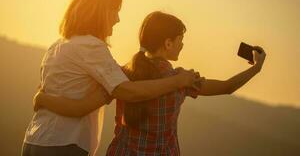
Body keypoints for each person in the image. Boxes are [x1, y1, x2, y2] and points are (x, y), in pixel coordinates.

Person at [35, 11, 266, 155]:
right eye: (180, 40)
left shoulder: (120, 74)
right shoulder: (182, 79)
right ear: (167, 43)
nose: (182, 45)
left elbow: (82, 106)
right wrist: (256, 68)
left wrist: (43, 98)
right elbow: (227, 87)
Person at [21, 0, 199, 156]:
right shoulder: (91, 46)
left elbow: (51, 94)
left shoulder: (57, 46)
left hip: (34, 139)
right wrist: (178, 81)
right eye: (115, 10)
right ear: (101, 12)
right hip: (63, 144)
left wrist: (40, 98)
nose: (118, 19)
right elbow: (128, 91)